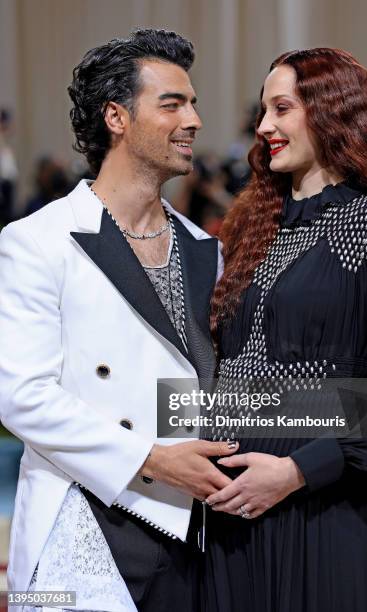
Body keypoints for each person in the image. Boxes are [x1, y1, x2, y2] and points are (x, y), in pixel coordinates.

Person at [0, 28, 239, 612]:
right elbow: (21, 396)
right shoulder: (37, 240)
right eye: (173, 103)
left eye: (195, 102)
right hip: (81, 519)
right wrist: (153, 459)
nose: (195, 120)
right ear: (116, 117)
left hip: (193, 529)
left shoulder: (203, 246)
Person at [203, 48, 367, 611]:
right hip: (232, 526)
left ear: (331, 110)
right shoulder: (249, 229)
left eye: (282, 108)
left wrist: (296, 471)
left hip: (328, 521)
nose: (264, 126)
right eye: (263, 111)